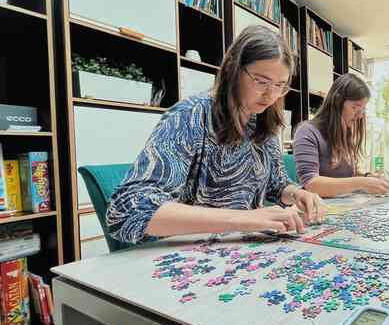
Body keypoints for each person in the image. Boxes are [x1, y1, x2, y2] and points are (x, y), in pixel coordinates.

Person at [107, 25, 324, 244]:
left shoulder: (262, 122)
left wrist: (297, 194)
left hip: (238, 249)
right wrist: (245, 219)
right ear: (234, 70)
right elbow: (127, 211)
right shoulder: (190, 116)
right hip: (186, 252)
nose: (271, 94)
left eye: (280, 85)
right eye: (261, 81)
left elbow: (276, 184)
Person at [293, 73, 389, 197]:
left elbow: (345, 175)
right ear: (337, 102)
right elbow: (311, 184)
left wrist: (368, 177)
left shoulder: (345, 131)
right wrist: (363, 182)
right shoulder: (307, 131)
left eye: (362, 110)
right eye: (355, 108)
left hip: (345, 207)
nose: (360, 116)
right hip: (319, 209)